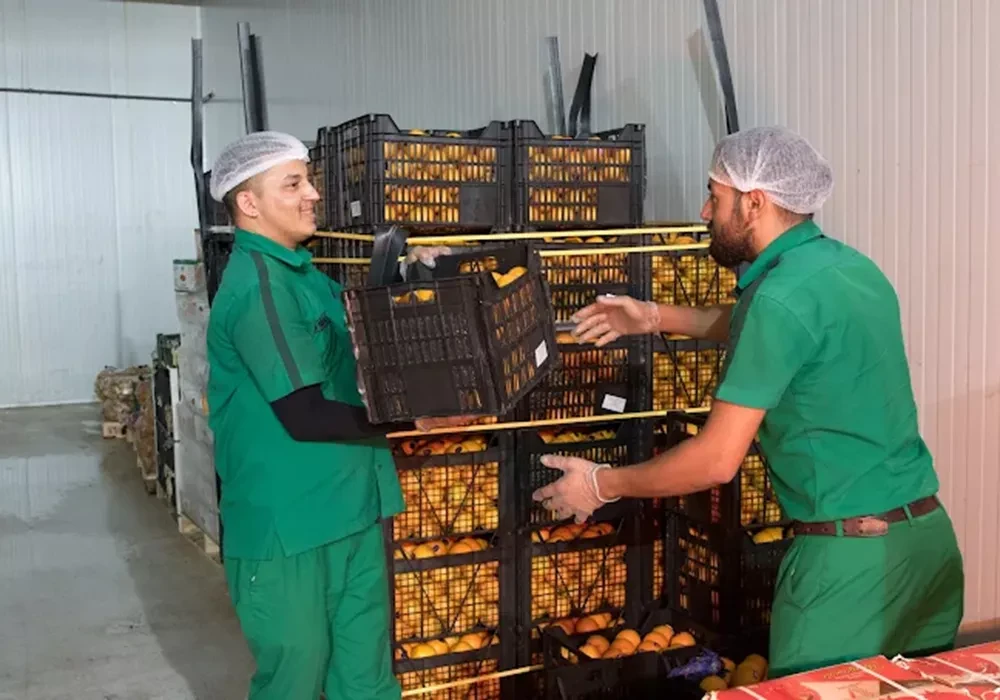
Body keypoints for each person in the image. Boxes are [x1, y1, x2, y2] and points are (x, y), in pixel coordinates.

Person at [535, 126, 965, 677]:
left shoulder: (779, 299)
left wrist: (601, 484)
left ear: (754, 202)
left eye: (714, 197)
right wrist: (655, 317)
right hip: (926, 546)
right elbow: (772, 326)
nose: (704, 211)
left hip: (847, 567)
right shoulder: (851, 269)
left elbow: (716, 460)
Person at [205, 131, 468, 700]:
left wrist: (406, 273)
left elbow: (356, 326)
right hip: (291, 529)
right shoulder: (258, 289)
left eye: (309, 180)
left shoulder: (301, 273)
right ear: (249, 203)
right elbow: (305, 415)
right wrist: (414, 421)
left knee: (366, 682)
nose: (313, 194)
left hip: (349, 510)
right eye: (293, 184)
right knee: (294, 684)